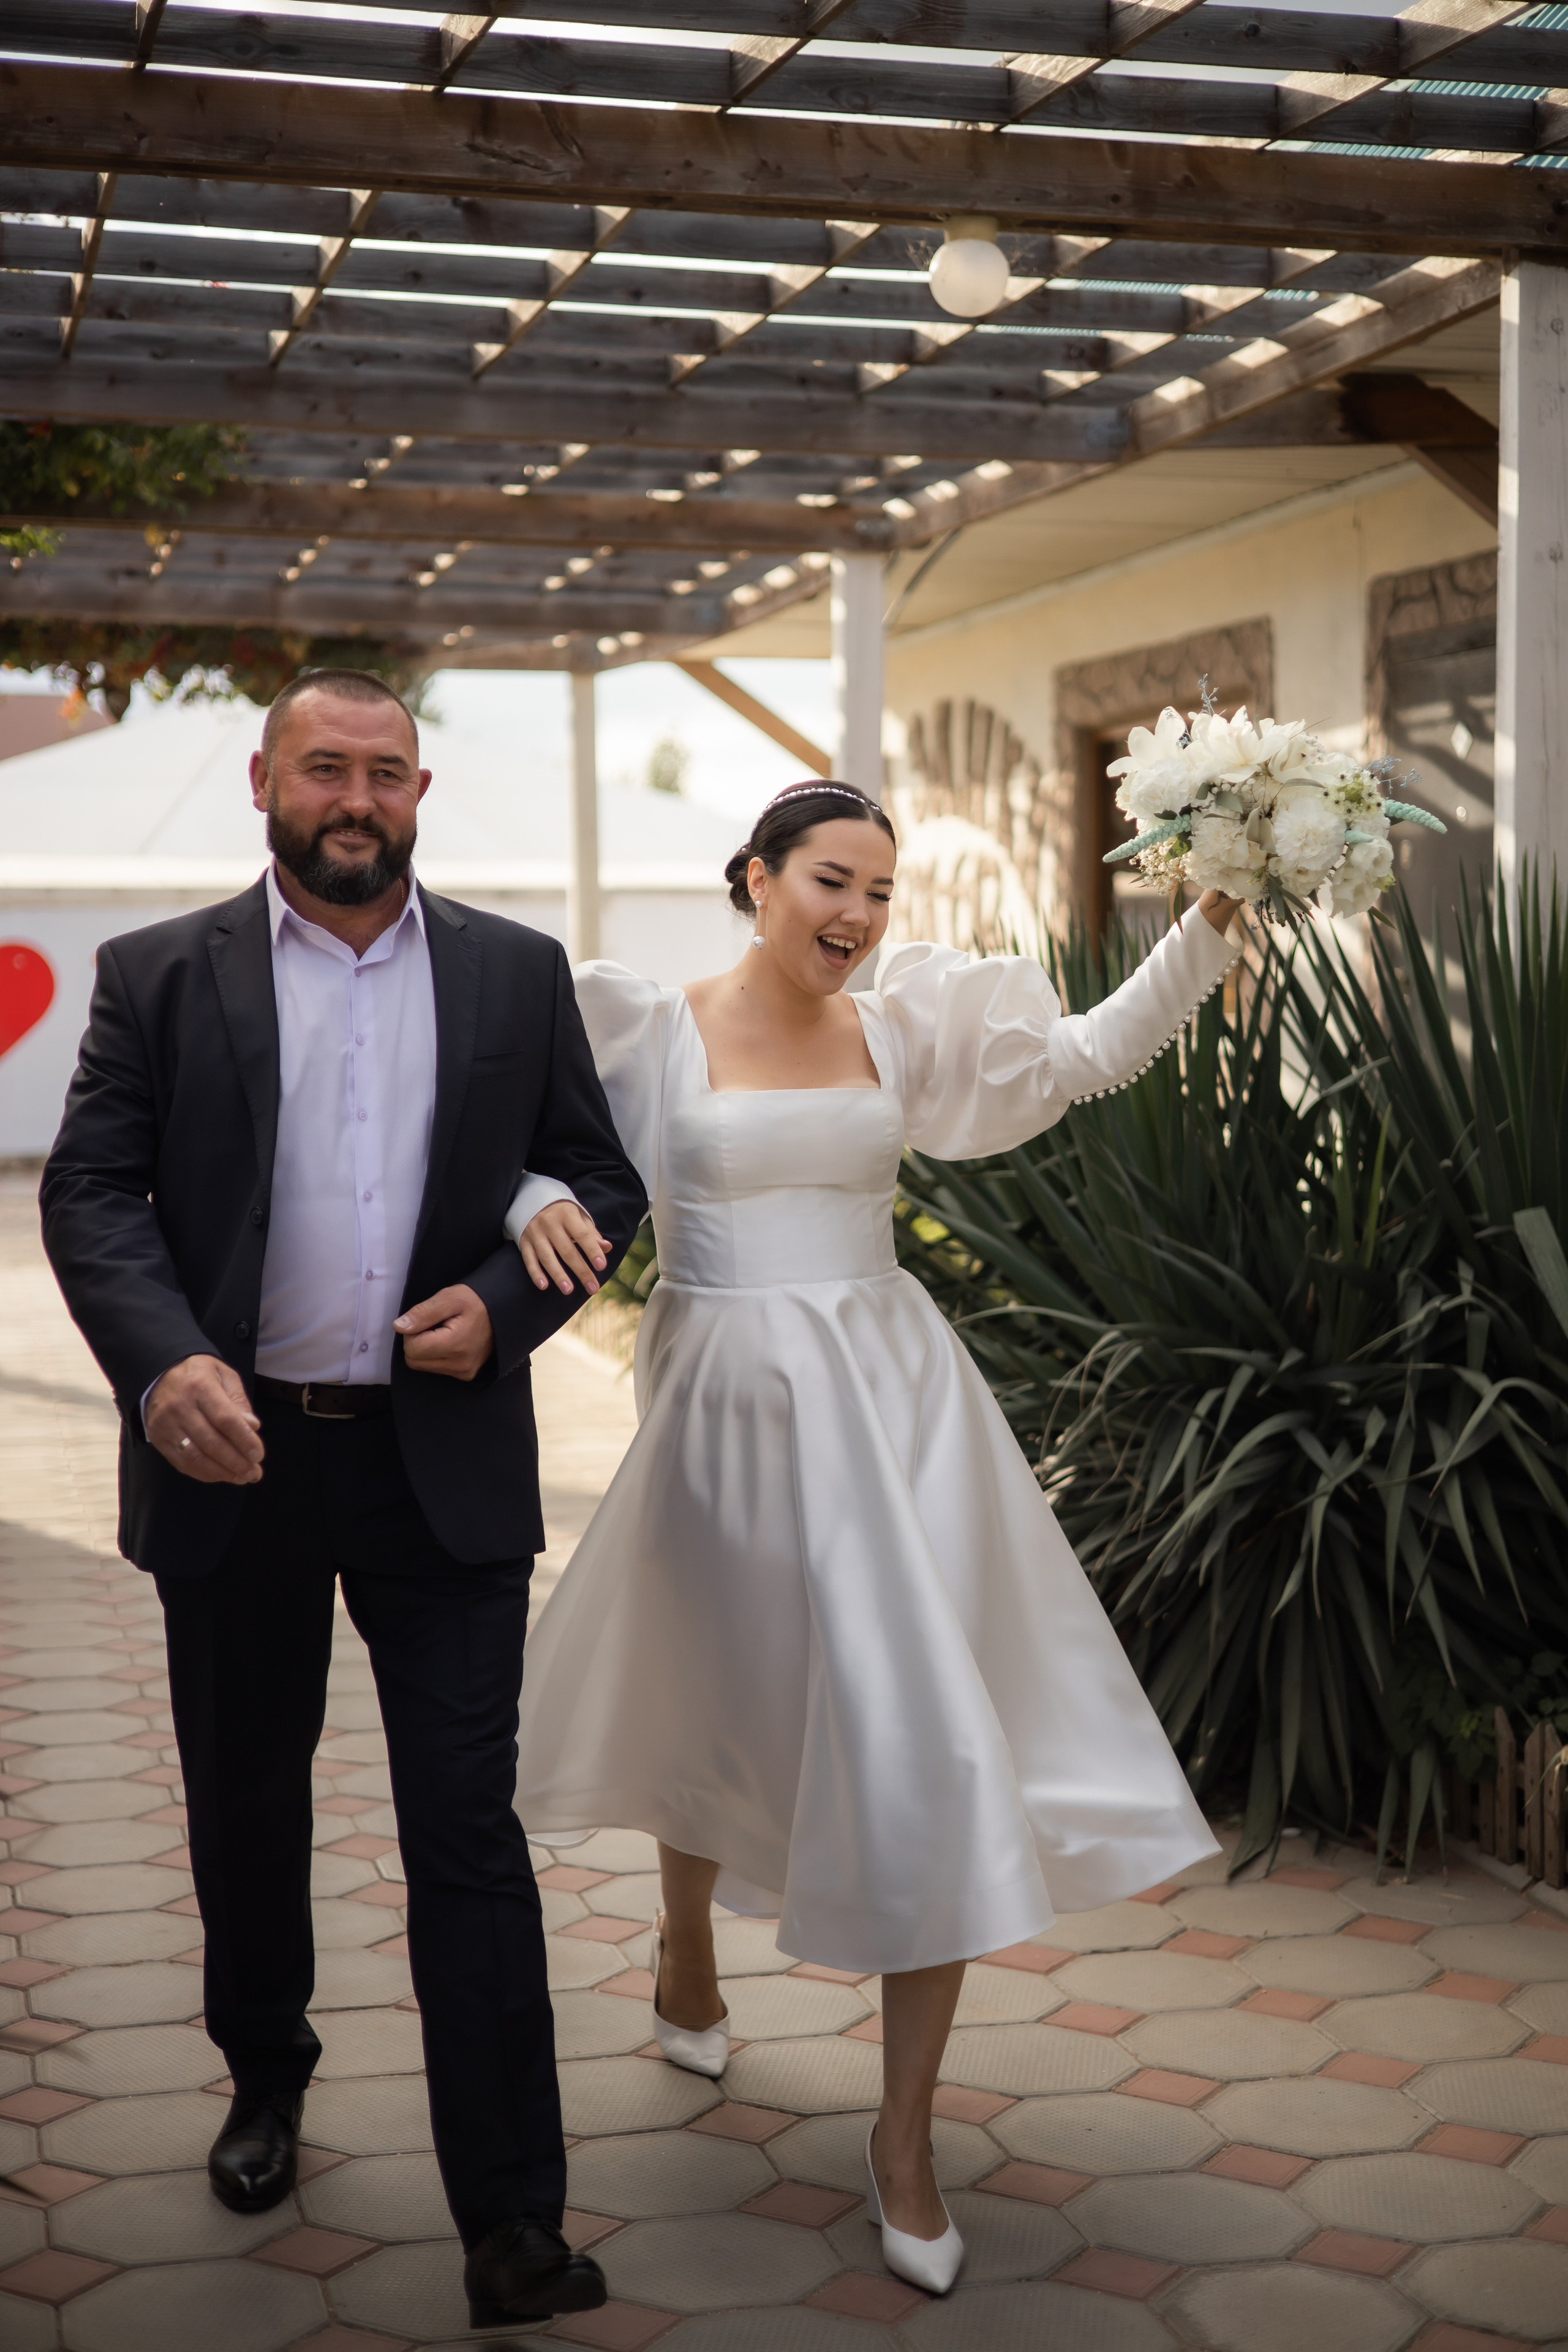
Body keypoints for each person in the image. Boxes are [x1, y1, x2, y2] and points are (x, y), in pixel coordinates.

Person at [505, 780, 1244, 2296]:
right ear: (756, 879)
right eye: (830, 881)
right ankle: (685, 1943)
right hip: (718, 1414)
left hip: (891, 1415)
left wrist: (1208, 929)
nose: (857, 915)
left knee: (925, 1742)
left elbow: (1091, 1056)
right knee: (715, 1698)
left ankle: (901, 2140)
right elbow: (520, 1136)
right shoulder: (643, 1024)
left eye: (881, 892)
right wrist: (525, 1195)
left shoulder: (902, 1023)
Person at [40, 671, 646, 2330]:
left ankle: (515, 2217)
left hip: (439, 1467)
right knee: (248, 1805)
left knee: (468, 1836)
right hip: (232, 1457)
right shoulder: (159, 974)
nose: (355, 797)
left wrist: (511, 1310)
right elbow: (95, 1190)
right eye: (326, 768)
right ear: (266, 781)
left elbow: (600, 1176)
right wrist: (163, 1367)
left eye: (385, 771)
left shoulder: (516, 974)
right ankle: (266, 2077)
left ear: (422, 791)